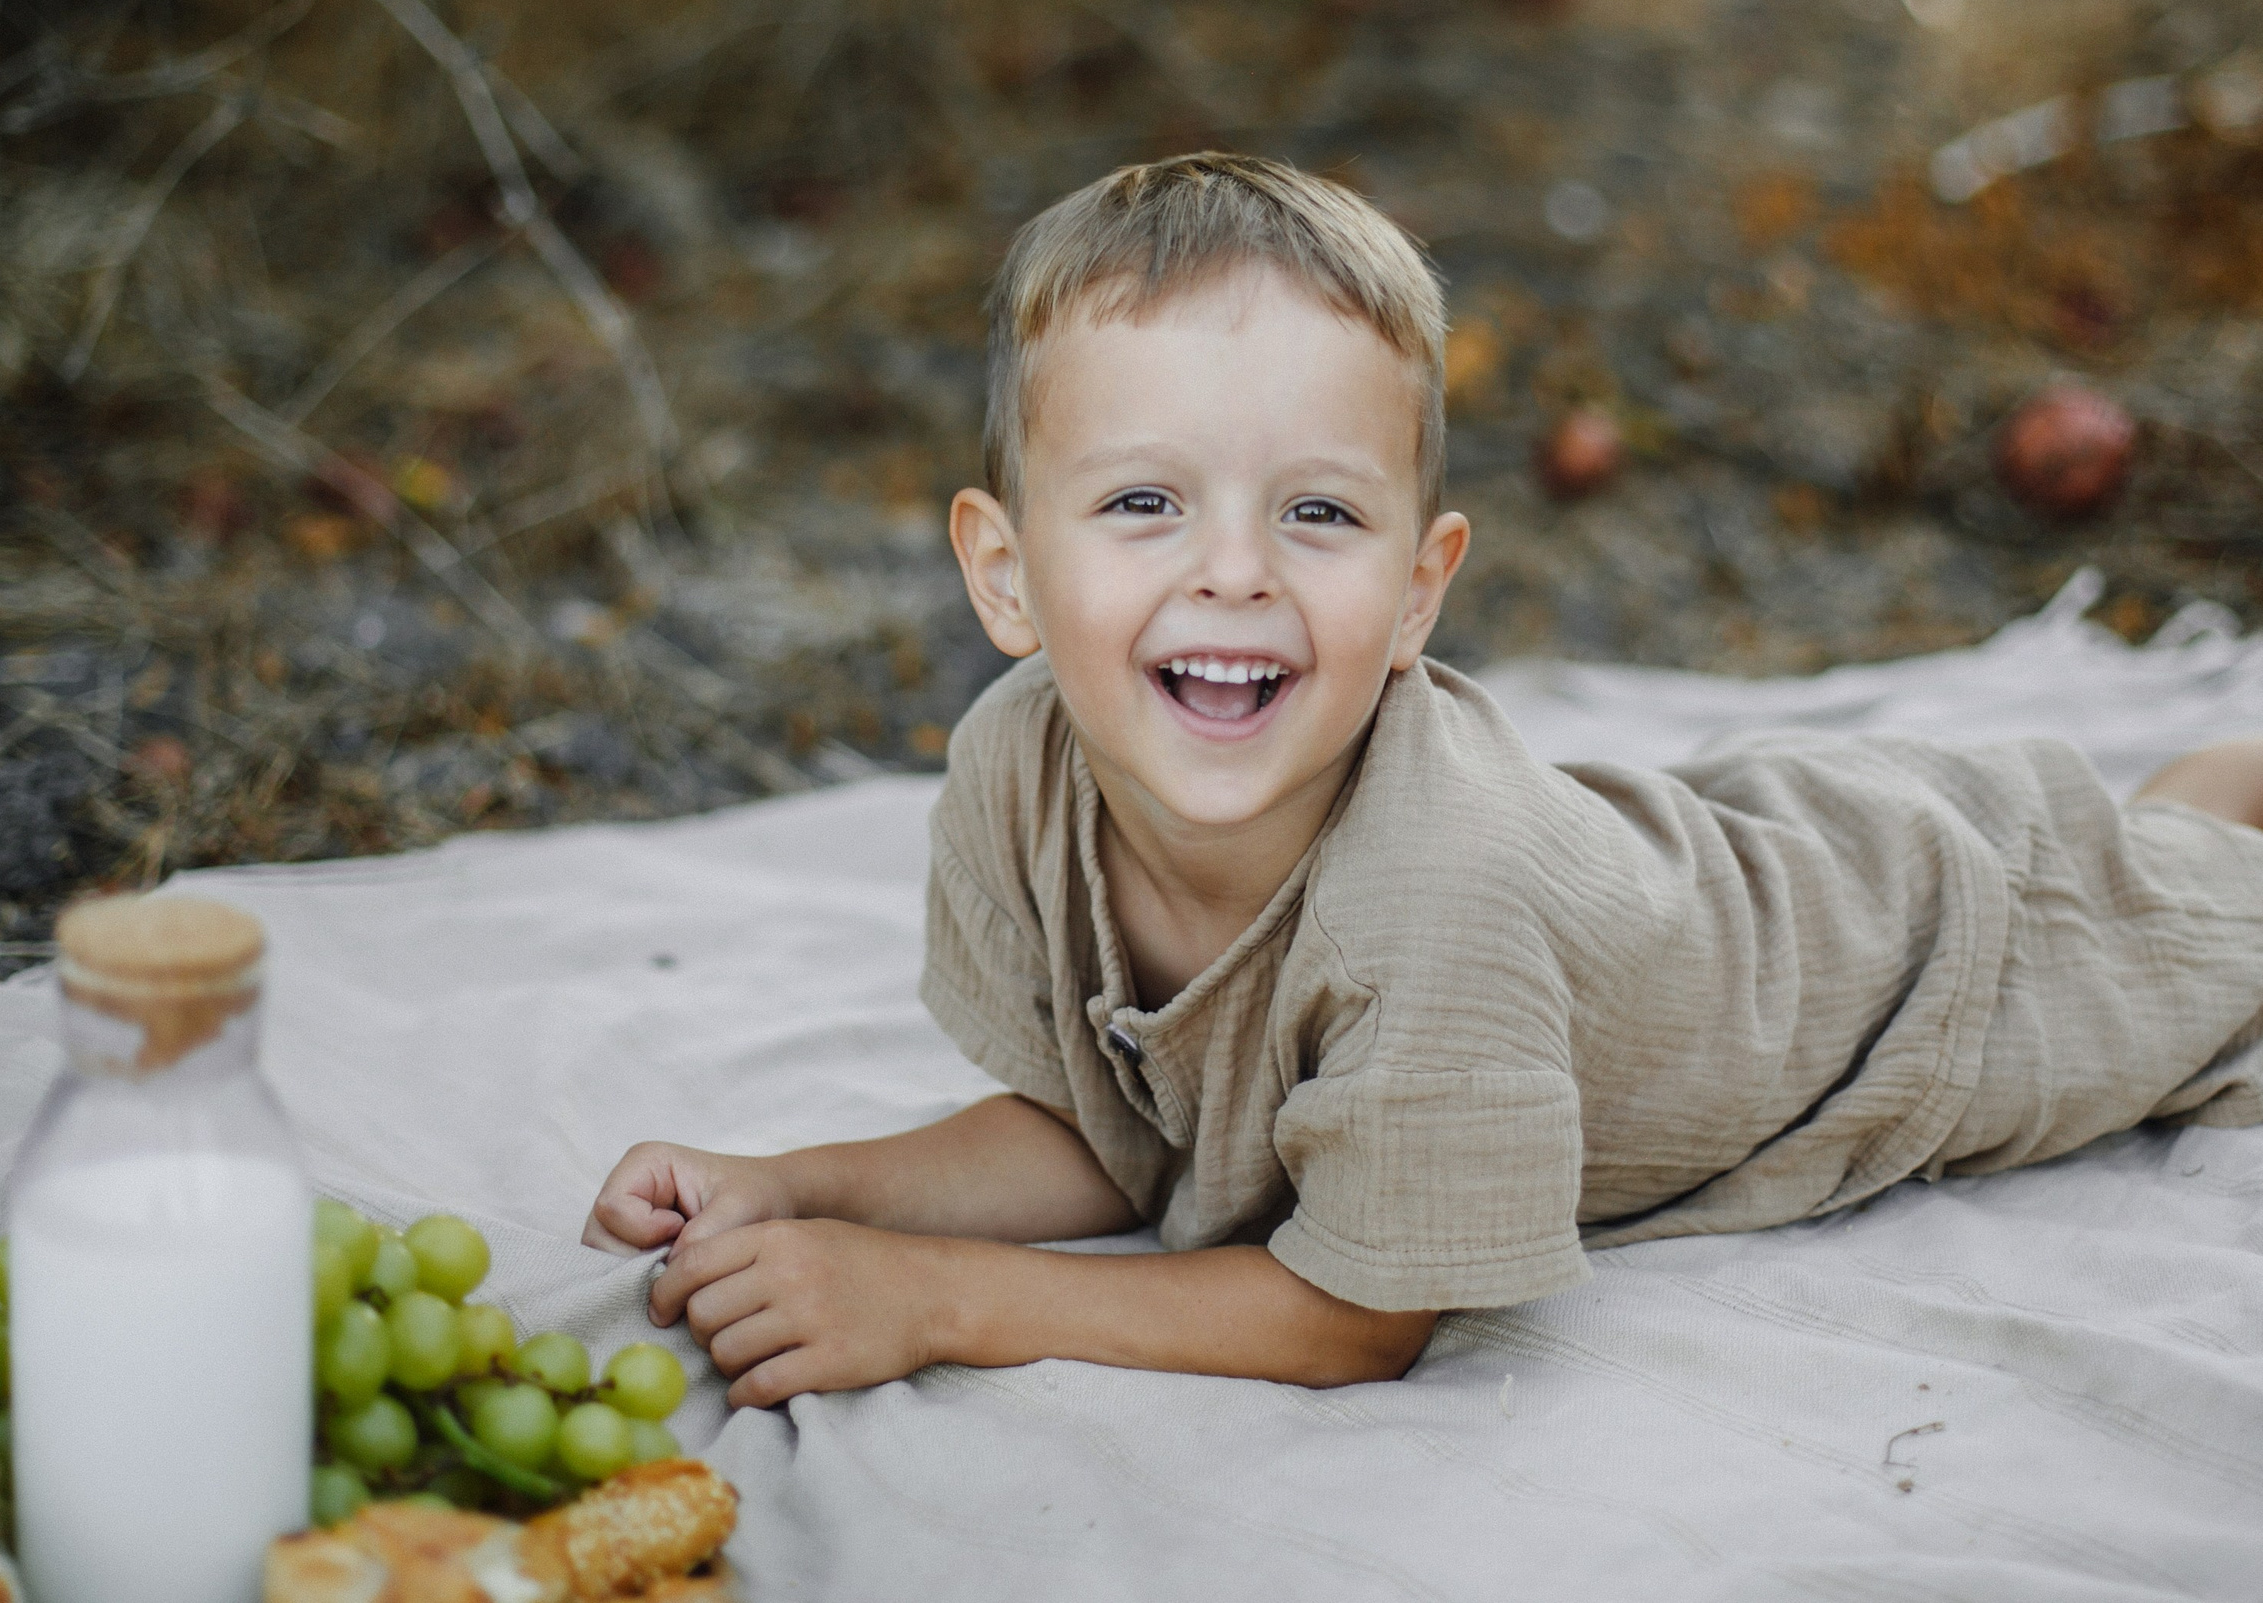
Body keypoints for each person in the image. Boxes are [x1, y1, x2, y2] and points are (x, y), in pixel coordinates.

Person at [582, 153, 2263, 1409]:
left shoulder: (1429, 896)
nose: (1234, 572)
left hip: (1936, 976)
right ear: (1004, 573)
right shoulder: (1016, 774)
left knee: (2187, 925)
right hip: (1763, 875)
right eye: (1145, 503)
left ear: (1420, 587)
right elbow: (1117, 1139)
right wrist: (798, 1187)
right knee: (2159, 844)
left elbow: (1355, 1317)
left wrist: (934, 1298)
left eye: (1317, 513)